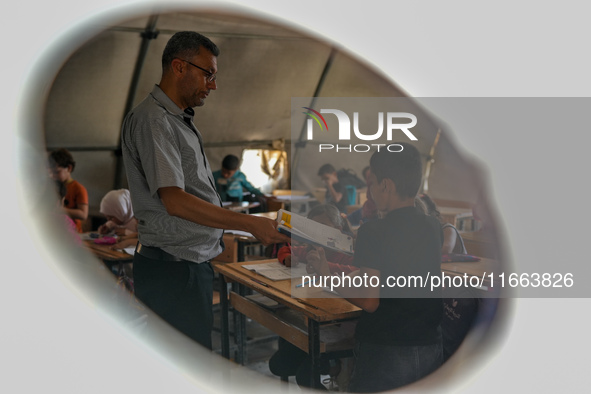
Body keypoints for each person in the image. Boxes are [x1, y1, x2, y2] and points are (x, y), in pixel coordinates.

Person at [120, 31, 289, 349]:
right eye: (208, 74)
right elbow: (175, 201)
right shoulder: (155, 121)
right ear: (179, 67)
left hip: (185, 266)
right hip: (172, 272)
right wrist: (251, 223)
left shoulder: (178, 120)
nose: (213, 85)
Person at [312, 143, 443, 392]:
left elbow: (370, 301)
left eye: (372, 184)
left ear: (386, 185)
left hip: (387, 347)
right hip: (429, 343)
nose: (369, 191)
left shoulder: (373, 231)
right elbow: (404, 270)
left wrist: (328, 278)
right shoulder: (432, 226)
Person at [270, 204, 355, 390]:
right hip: (316, 318)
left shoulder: (345, 255)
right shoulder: (310, 249)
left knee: (305, 376)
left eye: (323, 227)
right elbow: (287, 249)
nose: (317, 233)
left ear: (337, 230)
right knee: (278, 364)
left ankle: (335, 365)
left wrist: (325, 267)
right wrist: (287, 258)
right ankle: (321, 361)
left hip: (339, 323)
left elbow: (352, 273)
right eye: (313, 228)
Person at [48, 148, 88, 233]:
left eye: (56, 172)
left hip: (72, 233)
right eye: (50, 173)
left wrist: (59, 210)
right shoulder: (51, 187)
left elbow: (83, 214)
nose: (52, 176)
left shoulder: (78, 188)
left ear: (69, 168)